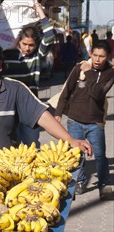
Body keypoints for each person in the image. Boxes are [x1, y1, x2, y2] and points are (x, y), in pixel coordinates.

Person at [55, 40, 114, 200]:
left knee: (100, 155)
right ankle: (78, 183)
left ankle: (103, 184)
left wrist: (88, 74)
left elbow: (98, 94)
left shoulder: (110, 73)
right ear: (90, 54)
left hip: (95, 122)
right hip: (75, 120)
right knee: (75, 155)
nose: (97, 59)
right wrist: (58, 113)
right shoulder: (78, 67)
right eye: (94, 55)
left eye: (101, 56)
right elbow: (66, 90)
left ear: (108, 57)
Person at [2, 1, 54, 146]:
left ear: (36, 45)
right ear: (18, 41)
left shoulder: (37, 56)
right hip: (9, 107)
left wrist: (39, 10)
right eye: (24, 44)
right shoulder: (6, 55)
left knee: (31, 145)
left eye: (31, 45)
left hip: (30, 108)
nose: (27, 48)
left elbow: (49, 35)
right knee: (10, 146)